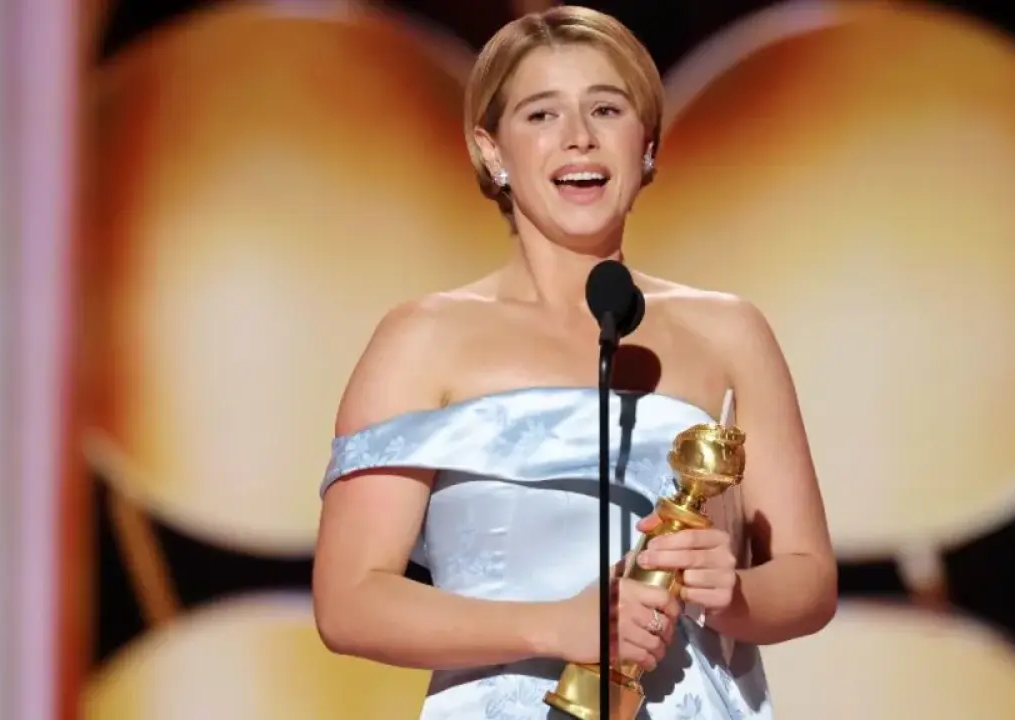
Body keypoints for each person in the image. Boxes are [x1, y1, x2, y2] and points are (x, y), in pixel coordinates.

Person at [312, 6, 836, 718]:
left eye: (606, 109)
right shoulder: (421, 339)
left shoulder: (730, 331)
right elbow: (349, 602)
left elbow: (808, 579)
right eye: (541, 114)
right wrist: (554, 625)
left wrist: (733, 593)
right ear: (491, 150)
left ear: (646, 144)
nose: (579, 137)